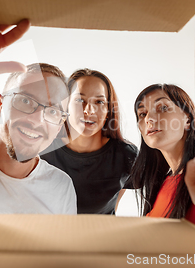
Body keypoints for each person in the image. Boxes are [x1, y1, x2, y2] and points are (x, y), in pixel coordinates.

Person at [0, 21, 77, 218]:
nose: (36, 120)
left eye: (53, 111)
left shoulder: (61, 187)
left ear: (60, 125)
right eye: (26, 100)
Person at [41, 69, 137, 214]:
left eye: (99, 101)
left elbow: (112, 207)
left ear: (108, 109)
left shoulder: (126, 155)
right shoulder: (43, 149)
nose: (89, 110)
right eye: (80, 100)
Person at [130, 84, 195, 227]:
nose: (148, 119)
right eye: (142, 114)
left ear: (187, 119)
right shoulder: (161, 185)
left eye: (162, 108)